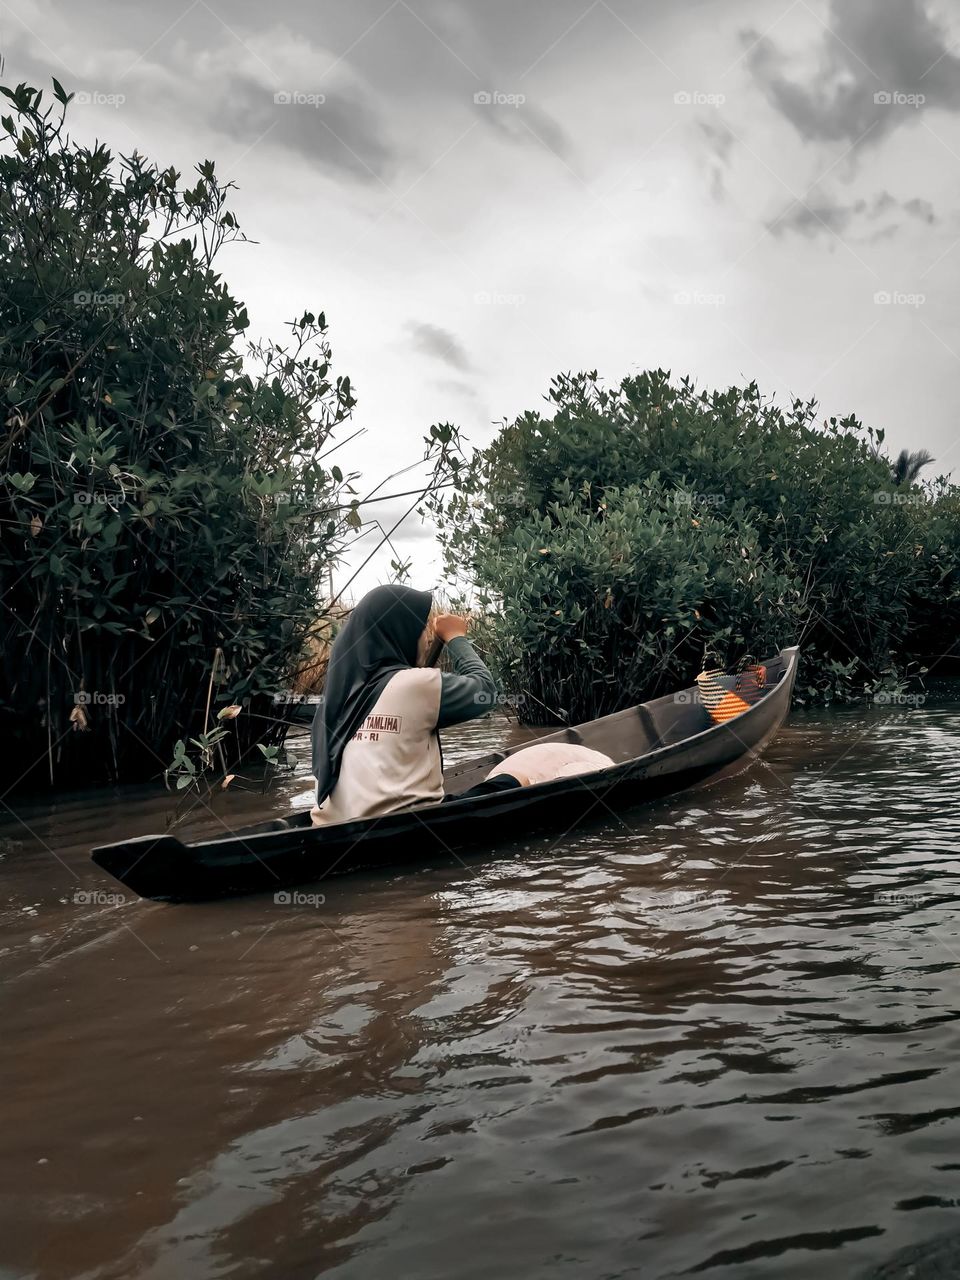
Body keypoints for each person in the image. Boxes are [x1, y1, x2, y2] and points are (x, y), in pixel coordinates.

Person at [310, 584, 501, 825]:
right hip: (405, 827)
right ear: (403, 633)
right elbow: (486, 691)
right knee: (515, 777)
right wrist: (455, 637)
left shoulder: (334, 695)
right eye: (422, 629)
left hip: (327, 827)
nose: (428, 637)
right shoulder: (414, 684)